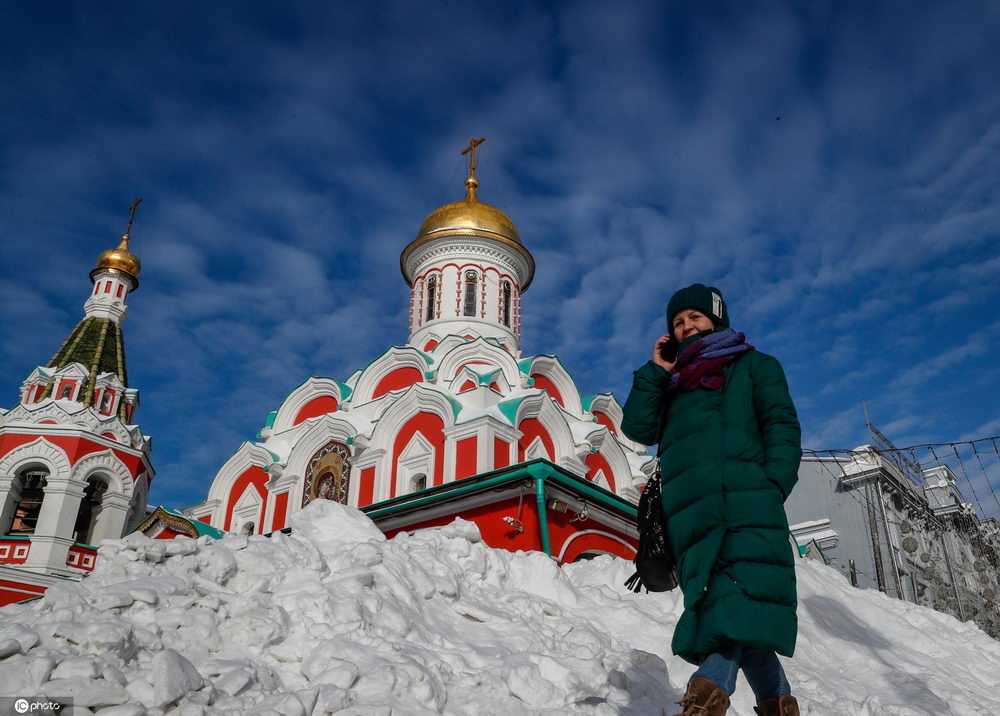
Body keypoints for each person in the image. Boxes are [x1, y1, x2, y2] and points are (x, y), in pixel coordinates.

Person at [621, 284, 802, 716]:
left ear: (716, 320)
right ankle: (778, 704)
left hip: (746, 507)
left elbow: (782, 426)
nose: (686, 327)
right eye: (678, 322)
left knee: (727, 603)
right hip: (690, 516)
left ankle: (705, 694)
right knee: (731, 607)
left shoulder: (755, 366)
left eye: (695, 318)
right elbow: (638, 428)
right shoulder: (674, 384)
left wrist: (771, 486)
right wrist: (656, 370)